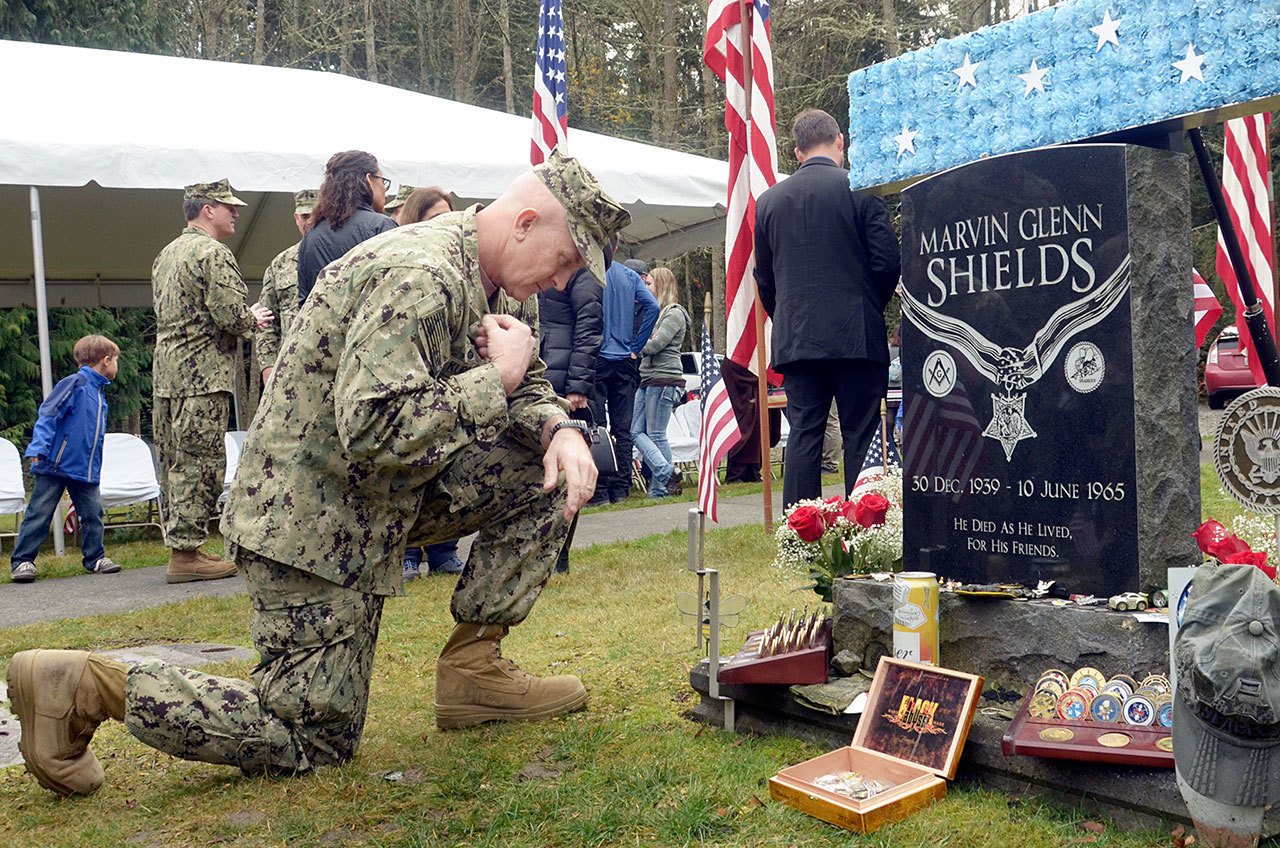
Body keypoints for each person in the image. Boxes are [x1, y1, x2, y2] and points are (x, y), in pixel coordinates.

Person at [5, 149, 631, 798]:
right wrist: (494, 380)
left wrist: (558, 429)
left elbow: (523, 379)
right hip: (308, 523)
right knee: (308, 737)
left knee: (549, 468)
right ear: (525, 223)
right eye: (564, 262)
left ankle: (474, 670)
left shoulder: (497, 275)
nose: (563, 283)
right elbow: (375, 430)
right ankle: (81, 686)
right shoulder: (419, 273)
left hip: (372, 502)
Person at [754, 108, 901, 508]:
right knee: (861, 434)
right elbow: (887, 262)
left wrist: (786, 314)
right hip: (856, 333)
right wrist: (868, 305)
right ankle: (864, 526)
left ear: (797, 152)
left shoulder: (768, 202)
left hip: (798, 337)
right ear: (840, 142)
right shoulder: (862, 190)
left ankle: (801, 533)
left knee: (805, 432)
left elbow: (764, 278)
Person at [151, 179, 274, 583]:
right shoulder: (213, 253)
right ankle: (186, 555)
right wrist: (251, 317)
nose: (236, 213)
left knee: (174, 459)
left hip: (167, 373)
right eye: (228, 207)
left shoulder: (166, 254)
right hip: (202, 374)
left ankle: (181, 544)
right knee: (200, 461)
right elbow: (229, 315)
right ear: (207, 210)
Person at [394, 186, 466, 581]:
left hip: (447, 382)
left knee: (444, 466)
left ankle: (442, 551)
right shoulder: (405, 263)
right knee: (409, 467)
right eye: (433, 218)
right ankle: (407, 551)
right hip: (412, 381)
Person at [9, 335, 122, 583]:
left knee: (93, 513)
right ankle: (23, 561)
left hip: (85, 468)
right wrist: (39, 449)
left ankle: (95, 558)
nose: (116, 365)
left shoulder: (99, 392)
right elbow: (48, 414)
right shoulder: (75, 384)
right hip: (55, 465)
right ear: (105, 360)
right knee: (40, 512)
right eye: (115, 360)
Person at [538, 253, 605, 572]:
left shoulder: (583, 271)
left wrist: (577, 384)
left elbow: (590, 323)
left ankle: (558, 556)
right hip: (544, 374)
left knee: (568, 473)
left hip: (565, 386)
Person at [588, 258, 659, 504]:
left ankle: (599, 489)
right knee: (623, 429)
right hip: (624, 359)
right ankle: (621, 488)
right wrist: (635, 347)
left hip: (598, 356)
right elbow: (653, 307)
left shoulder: (592, 269)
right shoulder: (629, 276)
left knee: (597, 425)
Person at [296, 150, 396, 305]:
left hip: (321, 327)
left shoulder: (312, 234)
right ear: (369, 180)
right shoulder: (382, 226)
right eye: (383, 182)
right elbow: (395, 294)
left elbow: (304, 300)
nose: (386, 192)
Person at [631, 267, 690, 498]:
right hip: (648, 378)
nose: (645, 288)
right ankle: (666, 472)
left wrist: (633, 346)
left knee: (656, 434)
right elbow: (651, 341)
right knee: (635, 431)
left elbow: (656, 345)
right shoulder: (654, 314)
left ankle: (660, 488)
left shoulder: (674, 313)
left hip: (665, 379)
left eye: (649, 284)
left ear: (662, 286)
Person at [256, 190, 317, 385]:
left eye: (314, 216)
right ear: (296, 218)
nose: (309, 222)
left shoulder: (342, 255)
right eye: (305, 216)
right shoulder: (280, 264)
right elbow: (266, 320)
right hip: (289, 369)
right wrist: (267, 366)